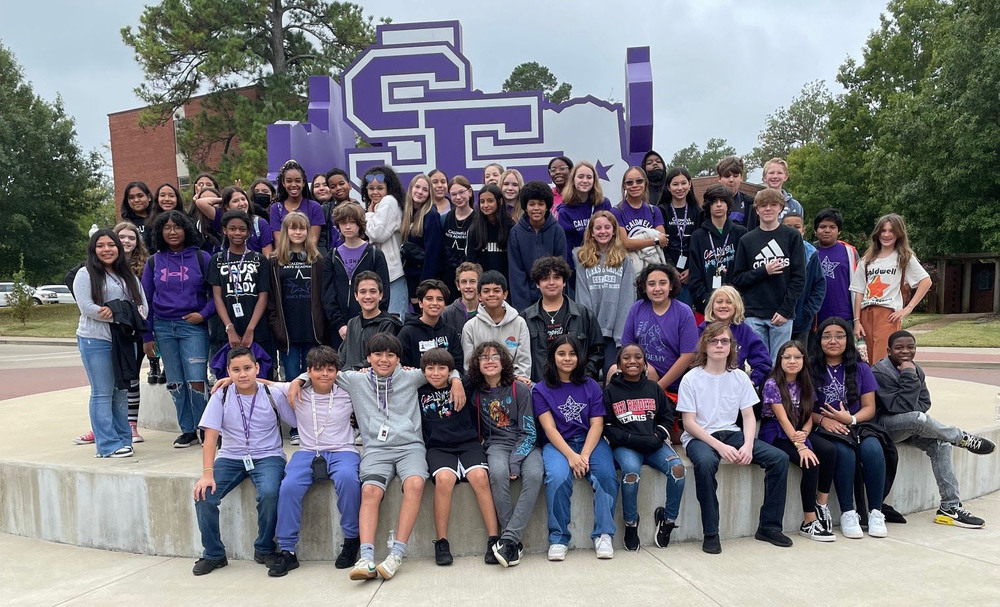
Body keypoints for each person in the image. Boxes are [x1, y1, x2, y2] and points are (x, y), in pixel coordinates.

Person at [317, 333, 464, 581]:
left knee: (416, 483)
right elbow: (322, 373)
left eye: (390, 355)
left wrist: (457, 379)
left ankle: (396, 554)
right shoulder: (355, 380)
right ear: (368, 357)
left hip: (410, 446)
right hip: (377, 449)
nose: (384, 360)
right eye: (378, 354)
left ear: (398, 358)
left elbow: (444, 369)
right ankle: (366, 557)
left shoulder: (411, 376)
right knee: (369, 491)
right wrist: (299, 380)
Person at [677, 322, 792, 554]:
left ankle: (769, 527)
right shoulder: (691, 378)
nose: (719, 345)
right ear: (705, 345)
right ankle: (711, 532)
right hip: (701, 437)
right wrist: (720, 447)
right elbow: (688, 423)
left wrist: (748, 445)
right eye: (714, 341)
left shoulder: (739, 377)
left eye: (725, 341)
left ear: (732, 346)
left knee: (779, 459)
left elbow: (748, 416)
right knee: (707, 462)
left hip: (732, 433)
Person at [873, 331, 995, 528]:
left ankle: (950, 506)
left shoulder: (916, 369)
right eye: (899, 348)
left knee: (941, 443)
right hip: (884, 428)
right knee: (917, 418)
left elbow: (924, 402)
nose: (905, 351)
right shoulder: (880, 372)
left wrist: (910, 374)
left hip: (911, 426)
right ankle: (960, 437)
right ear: (888, 350)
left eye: (910, 347)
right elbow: (897, 408)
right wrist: (908, 375)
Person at [192, 346, 296, 575]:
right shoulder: (222, 394)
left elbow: (297, 418)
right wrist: (207, 473)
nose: (242, 374)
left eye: (248, 368)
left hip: (268, 455)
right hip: (230, 456)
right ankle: (214, 554)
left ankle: (265, 547)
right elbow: (210, 438)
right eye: (236, 370)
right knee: (204, 496)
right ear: (228, 372)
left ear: (257, 368)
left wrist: (266, 383)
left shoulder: (272, 394)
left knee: (269, 493)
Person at [268, 346, 361, 576]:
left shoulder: (348, 392)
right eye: (318, 370)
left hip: (343, 450)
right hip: (308, 451)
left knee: (349, 480)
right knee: (288, 487)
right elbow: (260, 383)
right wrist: (228, 380)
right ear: (308, 372)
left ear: (337, 372)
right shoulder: (296, 392)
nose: (325, 375)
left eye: (330, 369)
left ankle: (351, 539)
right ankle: (288, 551)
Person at [533, 335, 619, 561]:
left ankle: (603, 534)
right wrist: (572, 456)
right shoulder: (541, 389)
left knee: (607, 477)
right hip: (559, 444)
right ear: (552, 357)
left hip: (590, 440)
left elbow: (597, 424)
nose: (567, 358)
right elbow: (549, 428)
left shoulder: (591, 385)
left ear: (579, 357)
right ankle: (558, 538)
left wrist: (585, 455)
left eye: (572, 353)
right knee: (557, 478)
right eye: (561, 354)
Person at [809, 317, 891, 539]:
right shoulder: (809, 368)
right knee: (843, 453)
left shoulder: (861, 368)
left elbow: (869, 408)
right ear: (819, 340)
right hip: (826, 427)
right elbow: (802, 409)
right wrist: (823, 420)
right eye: (827, 336)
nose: (833, 341)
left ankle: (876, 512)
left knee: (873, 450)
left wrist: (850, 419)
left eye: (840, 336)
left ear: (848, 340)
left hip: (857, 425)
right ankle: (848, 512)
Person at [418, 347, 500, 566]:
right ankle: (442, 542)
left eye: (442, 368)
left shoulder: (464, 385)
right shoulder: (418, 391)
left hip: (468, 443)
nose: (436, 373)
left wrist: (457, 381)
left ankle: (494, 539)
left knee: (480, 477)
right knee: (444, 480)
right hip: (438, 448)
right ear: (423, 371)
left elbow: (481, 373)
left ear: (450, 371)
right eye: (430, 368)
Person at [141, 210, 215, 448]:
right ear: (159, 232)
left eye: (177, 227)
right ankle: (188, 430)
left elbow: (216, 295)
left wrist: (202, 314)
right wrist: (147, 334)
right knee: (175, 382)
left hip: (193, 327)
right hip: (163, 328)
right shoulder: (153, 262)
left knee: (196, 380)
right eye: (167, 228)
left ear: (186, 229)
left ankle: (205, 429)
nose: (172, 232)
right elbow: (146, 301)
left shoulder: (202, 258)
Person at [73, 229, 148, 458]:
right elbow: (87, 307)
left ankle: (123, 440)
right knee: (103, 392)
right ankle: (107, 445)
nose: (107, 249)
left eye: (111, 245)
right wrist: (121, 313)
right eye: (101, 245)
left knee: (121, 392)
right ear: (93, 249)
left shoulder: (128, 276)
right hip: (96, 339)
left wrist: (116, 311)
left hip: (123, 341)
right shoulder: (85, 274)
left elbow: (143, 308)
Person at [466, 341, 542, 568]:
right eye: (484, 357)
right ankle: (512, 543)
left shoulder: (520, 388)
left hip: (526, 444)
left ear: (504, 362)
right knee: (497, 474)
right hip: (496, 445)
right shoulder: (476, 394)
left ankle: (508, 538)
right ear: (477, 364)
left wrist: (516, 462)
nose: (489, 361)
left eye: (495, 356)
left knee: (535, 475)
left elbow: (529, 431)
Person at [603, 344, 685, 551]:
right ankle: (631, 524)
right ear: (619, 364)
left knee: (677, 469)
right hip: (626, 445)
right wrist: (632, 438)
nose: (632, 361)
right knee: (631, 472)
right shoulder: (611, 391)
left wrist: (658, 436)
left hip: (654, 444)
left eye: (638, 357)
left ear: (645, 363)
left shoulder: (654, 388)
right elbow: (608, 427)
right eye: (626, 358)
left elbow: (667, 417)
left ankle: (667, 520)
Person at [760, 340, 837, 542]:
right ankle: (808, 521)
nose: (792, 361)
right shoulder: (772, 384)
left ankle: (821, 505)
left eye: (797, 357)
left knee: (829, 451)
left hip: (797, 429)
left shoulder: (806, 383)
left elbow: (808, 416)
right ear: (780, 360)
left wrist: (804, 432)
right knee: (810, 463)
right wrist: (801, 446)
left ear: (804, 360)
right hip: (776, 432)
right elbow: (782, 419)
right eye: (787, 357)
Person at [731, 187, 806, 361]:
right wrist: (764, 271)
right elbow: (738, 279)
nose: (768, 209)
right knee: (760, 364)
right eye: (763, 205)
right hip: (754, 315)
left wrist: (786, 311)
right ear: (756, 209)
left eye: (773, 205)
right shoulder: (747, 240)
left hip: (782, 315)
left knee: (780, 366)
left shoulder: (792, 236)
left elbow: (799, 278)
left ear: (780, 208)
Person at [851, 213, 932, 364]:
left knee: (883, 361)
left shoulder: (904, 257)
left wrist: (907, 309)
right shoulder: (867, 260)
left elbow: (926, 281)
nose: (887, 235)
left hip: (887, 314)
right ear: (877, 233)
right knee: (865, 359)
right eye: (883, 230)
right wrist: (857, 321)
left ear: (899, 234)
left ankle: (884, 388)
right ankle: (869, 388)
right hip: (866, 314)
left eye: (891, 231)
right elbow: (859, 291)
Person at [207, 210, 273, 374]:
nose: (238, 233)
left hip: (257, 329)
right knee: (231, 377)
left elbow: (263, 296)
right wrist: (230, 328)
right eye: (233, 228)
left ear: (249, 231)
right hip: (227, 330)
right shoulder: (217, 259)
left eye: (242, 229)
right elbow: (217, 296)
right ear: (224, 230)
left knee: (261, 376)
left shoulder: (259, 259)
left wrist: (251, 329)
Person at [618, 264, 697, 398]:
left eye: (662, 283)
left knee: (651, 374)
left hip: (671, 380)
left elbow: (688, 356)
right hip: (640, 370)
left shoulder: (684, 312)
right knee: (613, 371)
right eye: (651, 284)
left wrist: (658, 387)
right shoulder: (637, 308)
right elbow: (627, 346)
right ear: (644, 287)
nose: (657, 289)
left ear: (671, 286)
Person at [521, 256, 603, 383]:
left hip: (576, 387)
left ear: (564, 282)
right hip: (539, 389)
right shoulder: (525, 318)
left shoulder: (584, 314)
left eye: (557, 277)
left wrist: (583, 376)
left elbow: (597, 352)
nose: (551, 282)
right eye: (545, 278)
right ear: (537, 284)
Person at [268, 211, 327, 384]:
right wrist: (275, 325)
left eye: (302, 229)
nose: (298, 232)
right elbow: (270, 298)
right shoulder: (274, 261)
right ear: (286, 231)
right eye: (293, 228)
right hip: (287, 332)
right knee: (292, 379)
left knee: (311, 379)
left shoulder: (318, 260)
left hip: (312, 330)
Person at [574, 210, 635, 374]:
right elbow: (582, 296)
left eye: (607, 227)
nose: (603, 232)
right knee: (589, 376)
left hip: (614, 333)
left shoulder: (623, 258)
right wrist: (588, 328)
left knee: (612, 374)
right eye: (598, 228)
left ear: (614, 230)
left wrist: (621, 335)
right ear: (591, 232)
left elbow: (627, 299)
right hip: (591, 332)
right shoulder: (582, 258)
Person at [323, 203, 390, 345]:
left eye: (352, 222)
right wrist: (339, 324)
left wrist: (374, 322)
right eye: (343, 222)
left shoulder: (374, 254)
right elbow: (328, 294)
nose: (347, 227)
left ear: (360, 224)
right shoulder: (332, 256)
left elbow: (383, 292)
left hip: (370, 326)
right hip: (339, 329)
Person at [116, 221, 154, 441]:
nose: (127, 241)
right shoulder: (101, 265)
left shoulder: (144, 265)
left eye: (131, 238)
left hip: (135, 330)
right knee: (110, 381)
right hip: (110, 330)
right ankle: (109, 424)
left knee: (131, 379)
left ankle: (131, 426)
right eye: (122, 237)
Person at [688, 184, 748, 316]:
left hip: (735, 305)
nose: (719, 205)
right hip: (706, 307)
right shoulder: (698, 236)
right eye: (714, 201)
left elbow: (745, 271)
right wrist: (707, 301)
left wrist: (734, 299)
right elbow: (694, 274)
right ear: (708, 206)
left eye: (722, 201)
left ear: (728, 204)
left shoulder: (741, 233)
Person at [461, 271, 531, 381]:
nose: (491, 294)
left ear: (505, 294)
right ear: (479, 296)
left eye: (496, 290)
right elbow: (469, 365)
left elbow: (524, 362)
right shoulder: (470, 327)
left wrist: (514, 382)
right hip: (481, 385)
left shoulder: (519, 323)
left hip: (513, 383)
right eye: (486, 291)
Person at [508, 181, 567, 311]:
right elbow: (516, 274)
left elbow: (561, 270)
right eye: (531, 204)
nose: (536, 208)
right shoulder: (516, 233)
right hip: (525, 304)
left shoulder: (557, 231)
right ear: (525, 206)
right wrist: (523, 311)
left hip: (552, 300)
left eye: (541, 204)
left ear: (547, 206)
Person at [699, 286, 772, 390]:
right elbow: (692, 359)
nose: (723, 306)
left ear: (737, 306)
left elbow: (763, 361)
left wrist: (753, 381)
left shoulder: (745, 331)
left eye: (729, 302)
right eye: (719, 302)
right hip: (705, 386)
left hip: (734, 388)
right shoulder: (702, 330)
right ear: (712, 305)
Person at [361, 165, 407, 319]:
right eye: (371, 188)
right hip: (382, 271)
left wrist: (368, 215)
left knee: (394, 319)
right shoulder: (379, 206)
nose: (375, 192)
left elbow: (377, 233)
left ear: (389, 188)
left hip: (392, 273)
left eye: (380, 188)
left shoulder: (389, 201)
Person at [338, 271, 402, 370]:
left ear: (381, 295)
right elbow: (342, 357)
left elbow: (380, 359)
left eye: (373, 291)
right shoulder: (352, 323)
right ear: (356, 296)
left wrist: (351, 371)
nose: (368, 296)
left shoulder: (388, 324)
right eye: (363, 292)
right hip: (349, 380)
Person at [396, 279, 464, 372]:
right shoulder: (407, 332)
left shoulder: (450, 332)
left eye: (440, 299)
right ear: (420, 303)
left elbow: (457, 365)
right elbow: (401, 365)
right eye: (429, 298)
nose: (435, 303)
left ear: (445, 305)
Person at [783, 212, 826, 346]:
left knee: (800, 358)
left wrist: (808, 312)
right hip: (777, 319)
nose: (792, 230)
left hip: (801, 320)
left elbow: (819, 285)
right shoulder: (775, 250)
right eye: (788, 226)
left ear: (803, 230)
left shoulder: (811, 253)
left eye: (796, 227)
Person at [612, 166, 668, 270]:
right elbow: (625, 244)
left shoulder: (654, 211)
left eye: (639, 181)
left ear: (645, 183)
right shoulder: (616, 212)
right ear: (624, 186)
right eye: (629, 182)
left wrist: (638, 242)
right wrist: (655, 241)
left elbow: (663, 240)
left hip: (652, 269)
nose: (635, 185)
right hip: (629, 268)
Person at [557, 161, 612, 267]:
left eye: (589, 177)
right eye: (580, 177)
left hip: (603, 263)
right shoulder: (565, 211)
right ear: (573, 180)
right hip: (578, 265)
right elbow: (566, 247)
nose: (585, 181)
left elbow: (613, 236)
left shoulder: (603, 204)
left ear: (594, 181)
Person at [193, 186, 274, 257]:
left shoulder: (260, 223)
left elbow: (267, 255)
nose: (242, 203)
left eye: (243, 199)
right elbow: (200, 202)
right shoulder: (221, 219)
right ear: (227, 206)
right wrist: (224, 198)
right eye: (235, 201)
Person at [400, 174, 443, 305]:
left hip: (423, 280)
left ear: (429, 194)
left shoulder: (431, 215)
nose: (420, 192)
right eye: (417, 187)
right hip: (410, 277)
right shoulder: (407, 213)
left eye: (425, 190)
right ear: (411, 188)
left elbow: (433, 254)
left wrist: (424, 287)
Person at [658, 168, 701, 295]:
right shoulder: (661, 210)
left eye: (683, 183)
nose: (680, 188)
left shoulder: (697, 211)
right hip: (667, 270)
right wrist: (670, 268)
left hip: (690, 272)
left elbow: (700, 243)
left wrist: (691, 269)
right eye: (675, 184)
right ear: (668, 187)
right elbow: (660, 244)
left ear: (690, 184)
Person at [813, 208, 858, 325]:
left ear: (839, 231)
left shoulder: (850, 252)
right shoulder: (808, 252)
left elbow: (860, 285)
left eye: (832, 227)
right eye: (822, 227)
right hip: (815, 317)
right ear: (815, 230)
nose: (827, 230)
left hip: (844, 315)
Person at [269, 160, 325, 247]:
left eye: (298, 181)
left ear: (303, 183)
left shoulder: (315, 207)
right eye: (289, 181)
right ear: (283, 183)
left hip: (308, 257)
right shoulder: (275, 208)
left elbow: (313, 240)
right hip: (284, 258)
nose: (293, 184)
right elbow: (278, 240)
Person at [467, 184, 512, 277]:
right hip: (482, 285)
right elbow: (472, 262)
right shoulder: (474, 228)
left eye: (490, 201)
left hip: (505, 284)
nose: (485, 205)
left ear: (500, 201)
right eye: (482, 202)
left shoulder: (511, 227)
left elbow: (513, 261)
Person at [441, 175, 475, 298]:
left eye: (462, 192)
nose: (458, 197)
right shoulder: (446, 218)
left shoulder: (478, 219)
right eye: (454, 194)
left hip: (470, 279)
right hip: (448, 278)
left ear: (470, 192)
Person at [715, 155, 757, 228]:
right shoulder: (711, 203)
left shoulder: (750, 203)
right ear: (719, 178)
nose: (731, 180)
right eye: (727, 176)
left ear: (741, 177)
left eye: (735, 176)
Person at [441, 261, 481, 335]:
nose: (468, 286)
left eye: (472, 281)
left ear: (480, 284)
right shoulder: (447, 313)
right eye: (464, 282)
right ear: (458, 285)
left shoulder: (487, 311)